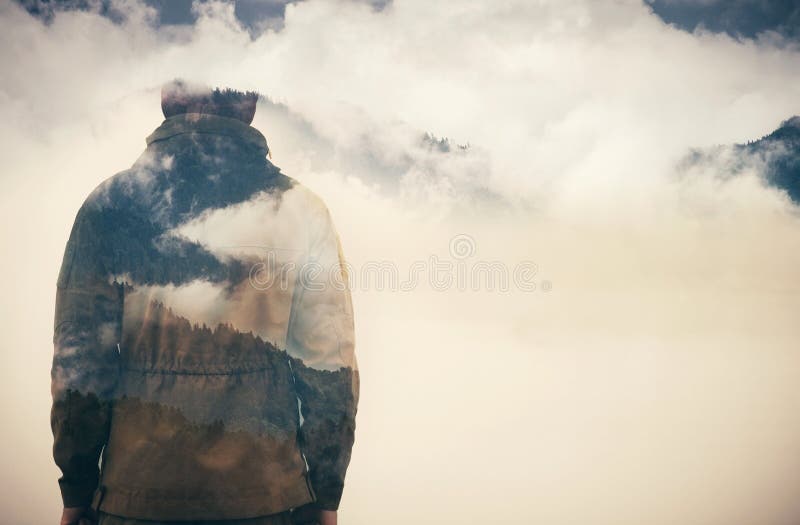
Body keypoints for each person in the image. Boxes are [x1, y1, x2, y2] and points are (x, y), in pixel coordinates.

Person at [51, 80, 359, 525]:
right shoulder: (302, 209)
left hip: (134, 496)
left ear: (166, 100)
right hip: (268, 498)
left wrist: (76, 487)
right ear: (250, 105)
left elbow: (79, 365)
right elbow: (329, 365)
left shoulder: (109, 206)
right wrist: (327, 495)